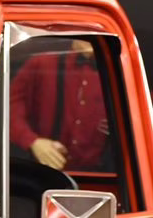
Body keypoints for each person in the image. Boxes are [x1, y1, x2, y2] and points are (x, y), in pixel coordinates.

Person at [9, 40, 117, 173]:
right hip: (41, 172)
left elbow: (146, 115)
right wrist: (33, 141)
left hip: (99, 178)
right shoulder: (42, 64)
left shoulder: (118, 74)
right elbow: (10, 108)